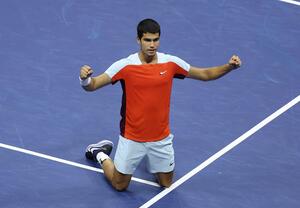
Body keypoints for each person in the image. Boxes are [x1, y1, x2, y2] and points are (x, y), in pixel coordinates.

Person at [79, 18, 241, 191]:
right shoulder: (125, 66)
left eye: (155, 40)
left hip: (160, 137)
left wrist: (228, 67)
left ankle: (152, 158)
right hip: (132, 136)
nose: (152, 45)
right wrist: (85, 79)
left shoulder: (170, 63)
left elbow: (205, 74)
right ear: (138, 40)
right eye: (147, 40)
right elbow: (94, 85)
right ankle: (100, 153)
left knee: (166, 183)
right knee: (120, 185)